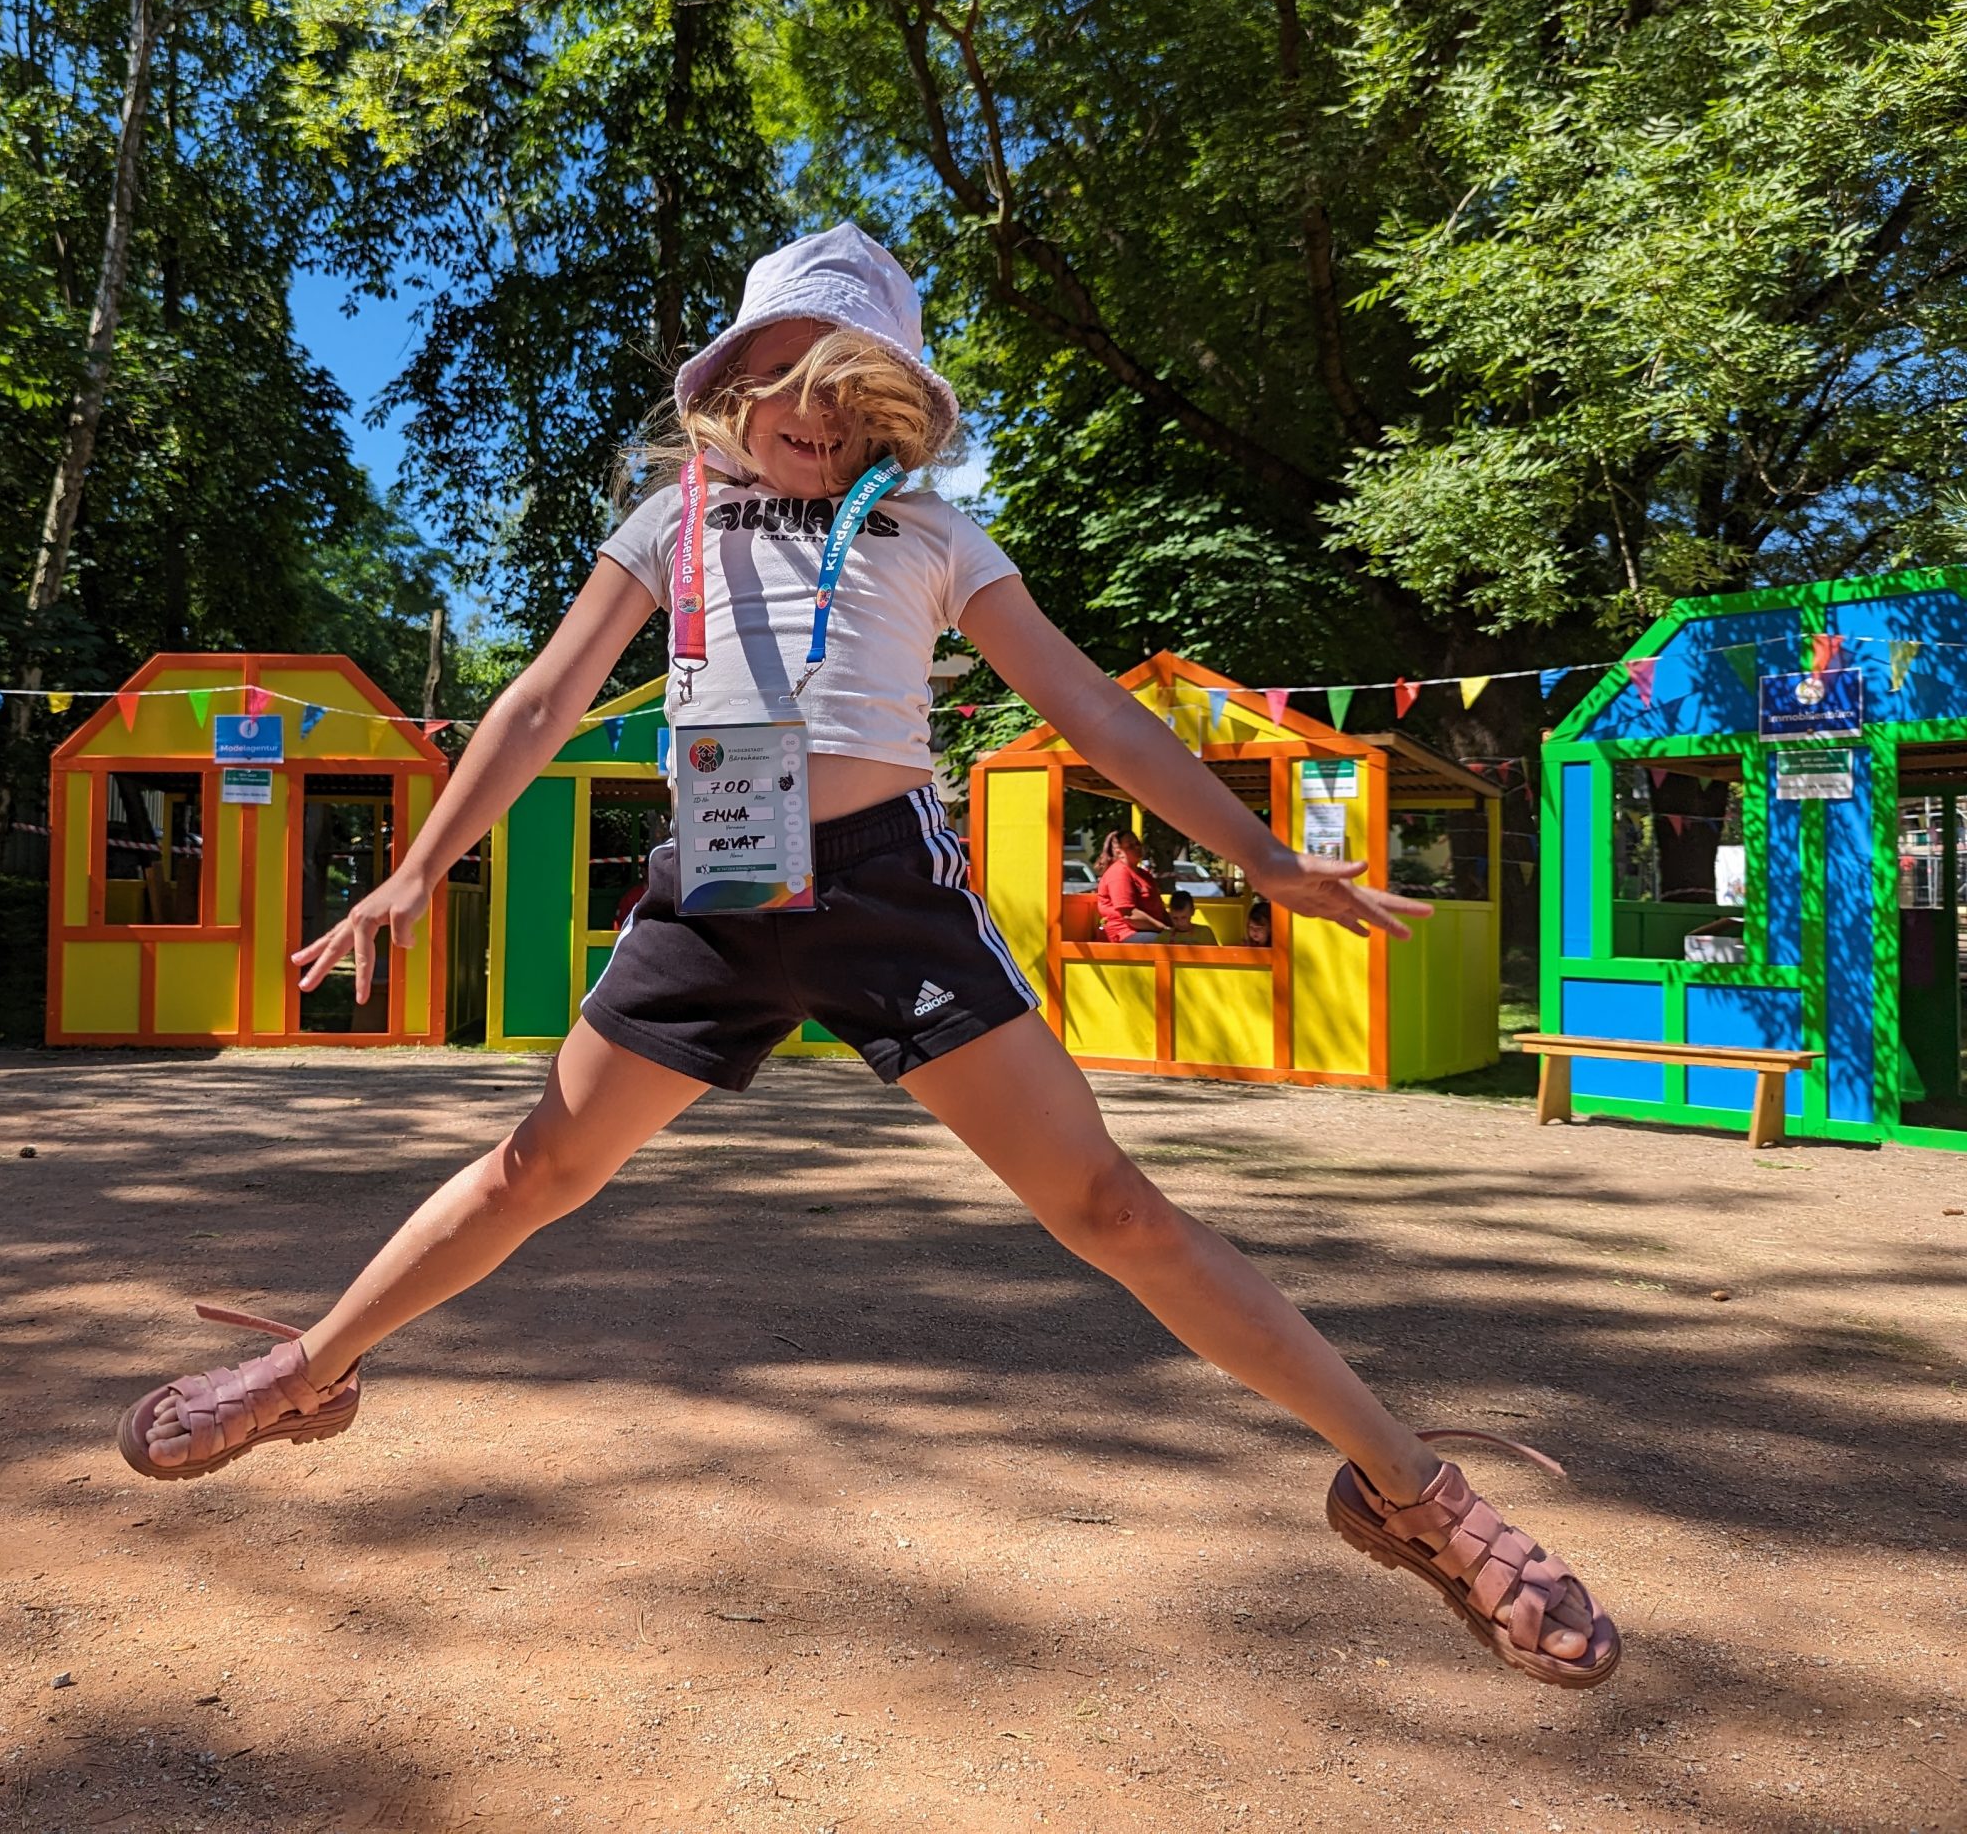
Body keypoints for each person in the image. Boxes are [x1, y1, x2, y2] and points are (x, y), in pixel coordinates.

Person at [115, 224, 1619, 1689]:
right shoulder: (668, 523)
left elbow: (1096, 710)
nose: (818, 415)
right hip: (712, 893)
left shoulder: (936, 536)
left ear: (893, 409)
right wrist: (416, 868)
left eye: (854, 389)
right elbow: (538, 702)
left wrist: (1264, 856)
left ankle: (1407, 1488)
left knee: (1111, 1205)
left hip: (891, 895)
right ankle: (310, 1370)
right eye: (790, 378)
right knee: (536, 1167)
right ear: (730, 387)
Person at [1094, 830, 1171, 942]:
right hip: (1125, 934)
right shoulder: (1118, 873)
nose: (1137, 847)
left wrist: (1176, 928)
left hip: (1152, 931)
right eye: (1130, 845)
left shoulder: (1144, 874)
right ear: (1119, 852)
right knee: (1176, 942)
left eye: (1137, 843)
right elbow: (1129, 915)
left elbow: (1161, 909)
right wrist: (1164, 929)